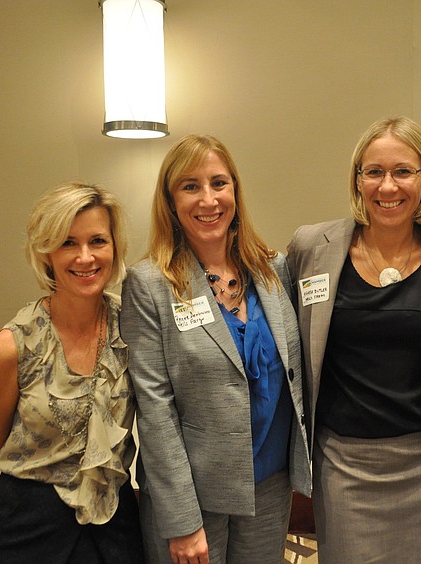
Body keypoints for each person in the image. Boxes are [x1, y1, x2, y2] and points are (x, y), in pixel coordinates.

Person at [286, 116, 421, 563]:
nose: (387, 186)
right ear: (357, 179)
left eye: (403, 171)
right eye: (374, 172)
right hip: (344, 465)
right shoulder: (311, 247)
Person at [120, 134, 311, 564]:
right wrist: (181, 520)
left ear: (235, 192)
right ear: (170, 203)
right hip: (195, 495)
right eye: (190, 186)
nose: (208, 199)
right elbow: (155, 411)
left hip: (269, 483)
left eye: (218, 183)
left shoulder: (272, 270)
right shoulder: (149, 285)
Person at [0, 182, 143, 563]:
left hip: (114, 517)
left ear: (114, 248)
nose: (85, 257)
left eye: (97, 240)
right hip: (29, 524)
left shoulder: (132, 328)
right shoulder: (12, 347)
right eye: (68, 243)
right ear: (45, 253)